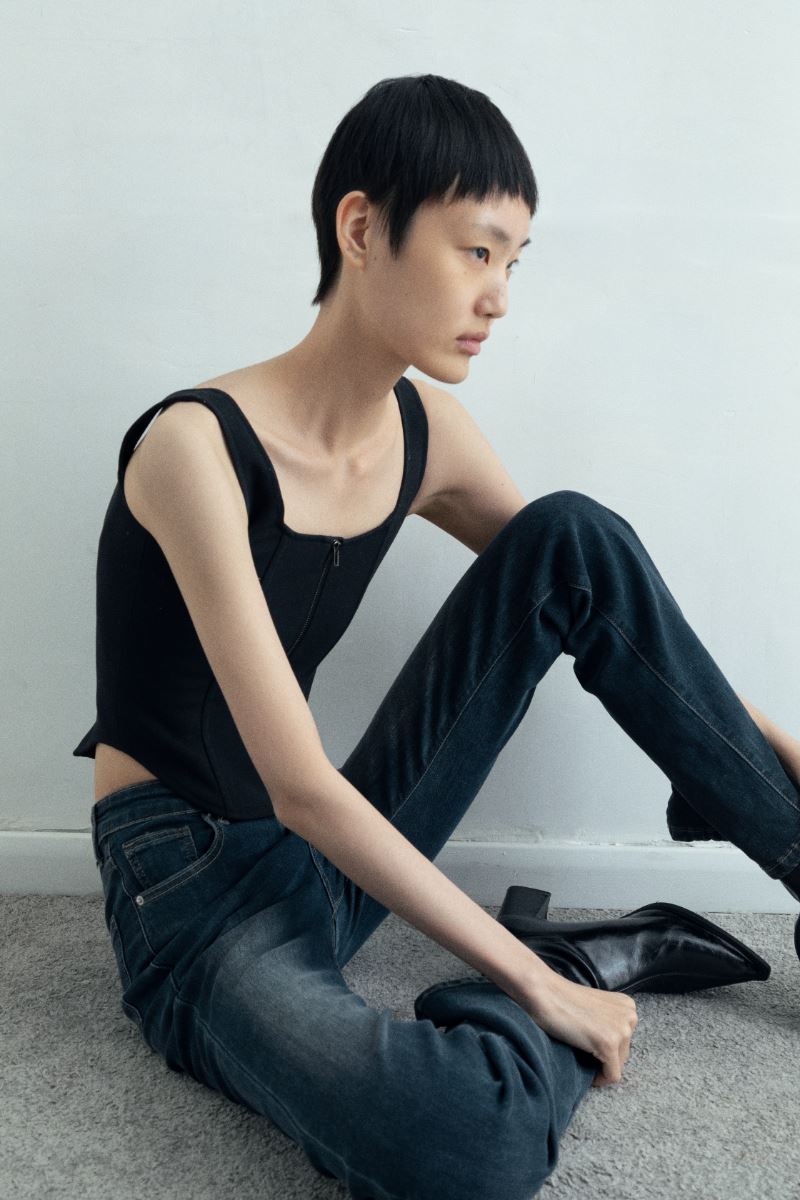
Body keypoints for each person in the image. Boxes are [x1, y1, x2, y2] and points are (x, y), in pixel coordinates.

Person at [78, 74, 800, 1199]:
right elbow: (299, 786)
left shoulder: (429, 434)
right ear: (363, 229)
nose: (499, 296)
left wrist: (771, 744)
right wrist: (533, 984)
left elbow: (613, 609)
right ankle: (558, 967)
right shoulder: (194, 448)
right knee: (466, 1144)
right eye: (476, 251)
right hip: (193, 889)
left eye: (514, 261)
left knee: (572, 535)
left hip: (318, 847)